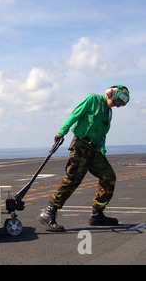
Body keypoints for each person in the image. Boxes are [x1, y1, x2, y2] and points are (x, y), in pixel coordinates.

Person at [38, 85, 130, 232]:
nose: (116, 105)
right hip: (81, 145)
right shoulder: (92, 99)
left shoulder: (109, 112)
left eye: (119, 104)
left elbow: (102, 134)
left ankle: (97, 214)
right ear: (111, 93)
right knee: (73, 179)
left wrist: (102, 150)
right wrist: (61, 132)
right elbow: (74, 115)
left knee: (108, 176)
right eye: (116, 101)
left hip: (94, 150)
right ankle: (49, 212)